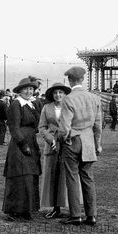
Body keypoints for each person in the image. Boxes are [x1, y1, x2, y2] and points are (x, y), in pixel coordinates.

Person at [58, 66, 102, 226]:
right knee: (88, 178)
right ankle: (92, 215)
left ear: (70, 80)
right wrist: (98, 144)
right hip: (89, 141)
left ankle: (76, 215)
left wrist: (64, 139)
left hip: (73, 141)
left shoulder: (68, 99)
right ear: (82, 79)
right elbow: (98, 125)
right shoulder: (94, 98)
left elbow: (64, 127)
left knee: (72, 178)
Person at [3, 77, 42, 221]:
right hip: (20, 145)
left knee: (30, 176)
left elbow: (36, 125)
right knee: (20, 177)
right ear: (20, 91)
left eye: (31, 89)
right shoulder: (16, 104)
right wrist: (23, 145)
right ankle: (14, 210)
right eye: (25, 89)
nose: (28, 91)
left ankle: (27, 209)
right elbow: (14, 127)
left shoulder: (31, 104)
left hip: (31, 142)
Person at [38, 82, 74, 218]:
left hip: (67, 144)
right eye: (55, 93)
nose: (58, 95)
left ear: (65, 94)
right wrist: (50, 139)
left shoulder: (70, 106)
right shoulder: (46, 108)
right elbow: (41, 127)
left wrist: (67, 137)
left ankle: (73, 208)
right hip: (52, 146)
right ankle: (55, 208)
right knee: (52, 176)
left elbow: (75, 125)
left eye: (60, 92)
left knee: (68, 176)